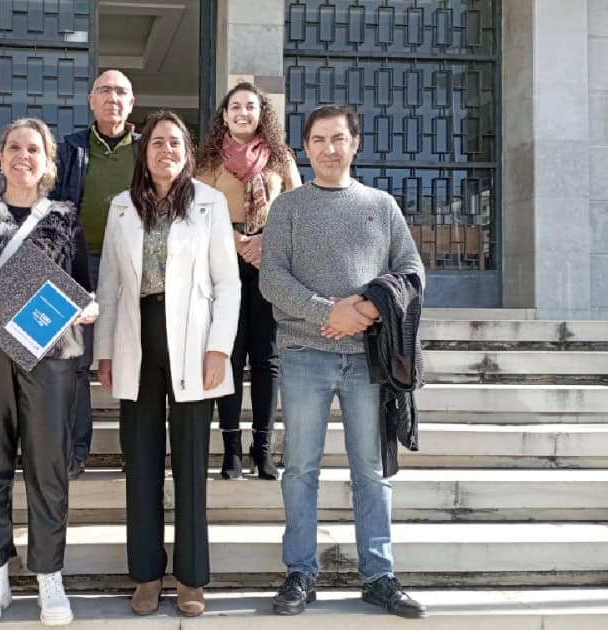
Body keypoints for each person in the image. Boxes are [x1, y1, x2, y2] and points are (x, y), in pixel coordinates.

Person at [258, 104, 427, 619]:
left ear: (355, 143)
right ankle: (300, 573)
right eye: (317, 140)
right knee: (300, 468)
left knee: (371, 472)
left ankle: (379, 575)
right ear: (304, 149)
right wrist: (328, 312)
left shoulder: (382, 204)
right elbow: (273, 279)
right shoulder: (288, 207)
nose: (328, 149)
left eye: (338, 138)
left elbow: (413, 270)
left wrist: (370, 310)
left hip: (368, 361)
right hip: (305, 354)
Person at [0, 118, 97, 627]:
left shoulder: (66, 219)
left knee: (48, 466)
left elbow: (83, 288)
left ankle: (49, 575)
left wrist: (87, 307)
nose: (22, 155)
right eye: (13, 147)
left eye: (33, 149)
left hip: (48, 359)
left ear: (48, 161)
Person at [93, 111, 240, 618]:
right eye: (157, 142)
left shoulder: (210, 203)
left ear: (187, 151)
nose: (166, 150)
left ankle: (192, 578)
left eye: (175, 142)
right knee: (142, 465)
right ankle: (147, 575)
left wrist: (219, 348)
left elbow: (228, 282)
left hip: (194, 344)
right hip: (138, 341)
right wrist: (105, 352)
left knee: (192, 466)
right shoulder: (121, 208)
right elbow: (108, 285)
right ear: (144, 151)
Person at [195, 81, 301, 480]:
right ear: (225, 114)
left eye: (250, 107)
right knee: (230, 355)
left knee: (266, 359)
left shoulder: (279, 158)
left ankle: (263, 450)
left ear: (262, 114)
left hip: (269, 262)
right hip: (222, 263)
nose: (242, 113)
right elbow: (197, 210)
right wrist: (235, 240)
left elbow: (297, 209)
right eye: (235, 106)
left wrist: (263, 241)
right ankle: (232, 451)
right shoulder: (207, 160)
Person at [52, 69, 140, 480]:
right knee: (75, 360)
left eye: (121, 91)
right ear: (91, 100)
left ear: (131, 102)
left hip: (134, 265)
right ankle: (76, 449)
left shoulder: (145, 148)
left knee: (135, 358)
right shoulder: (70, 148)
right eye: (104, 91)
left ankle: (136, 451)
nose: (112, 98)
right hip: (78, 263)